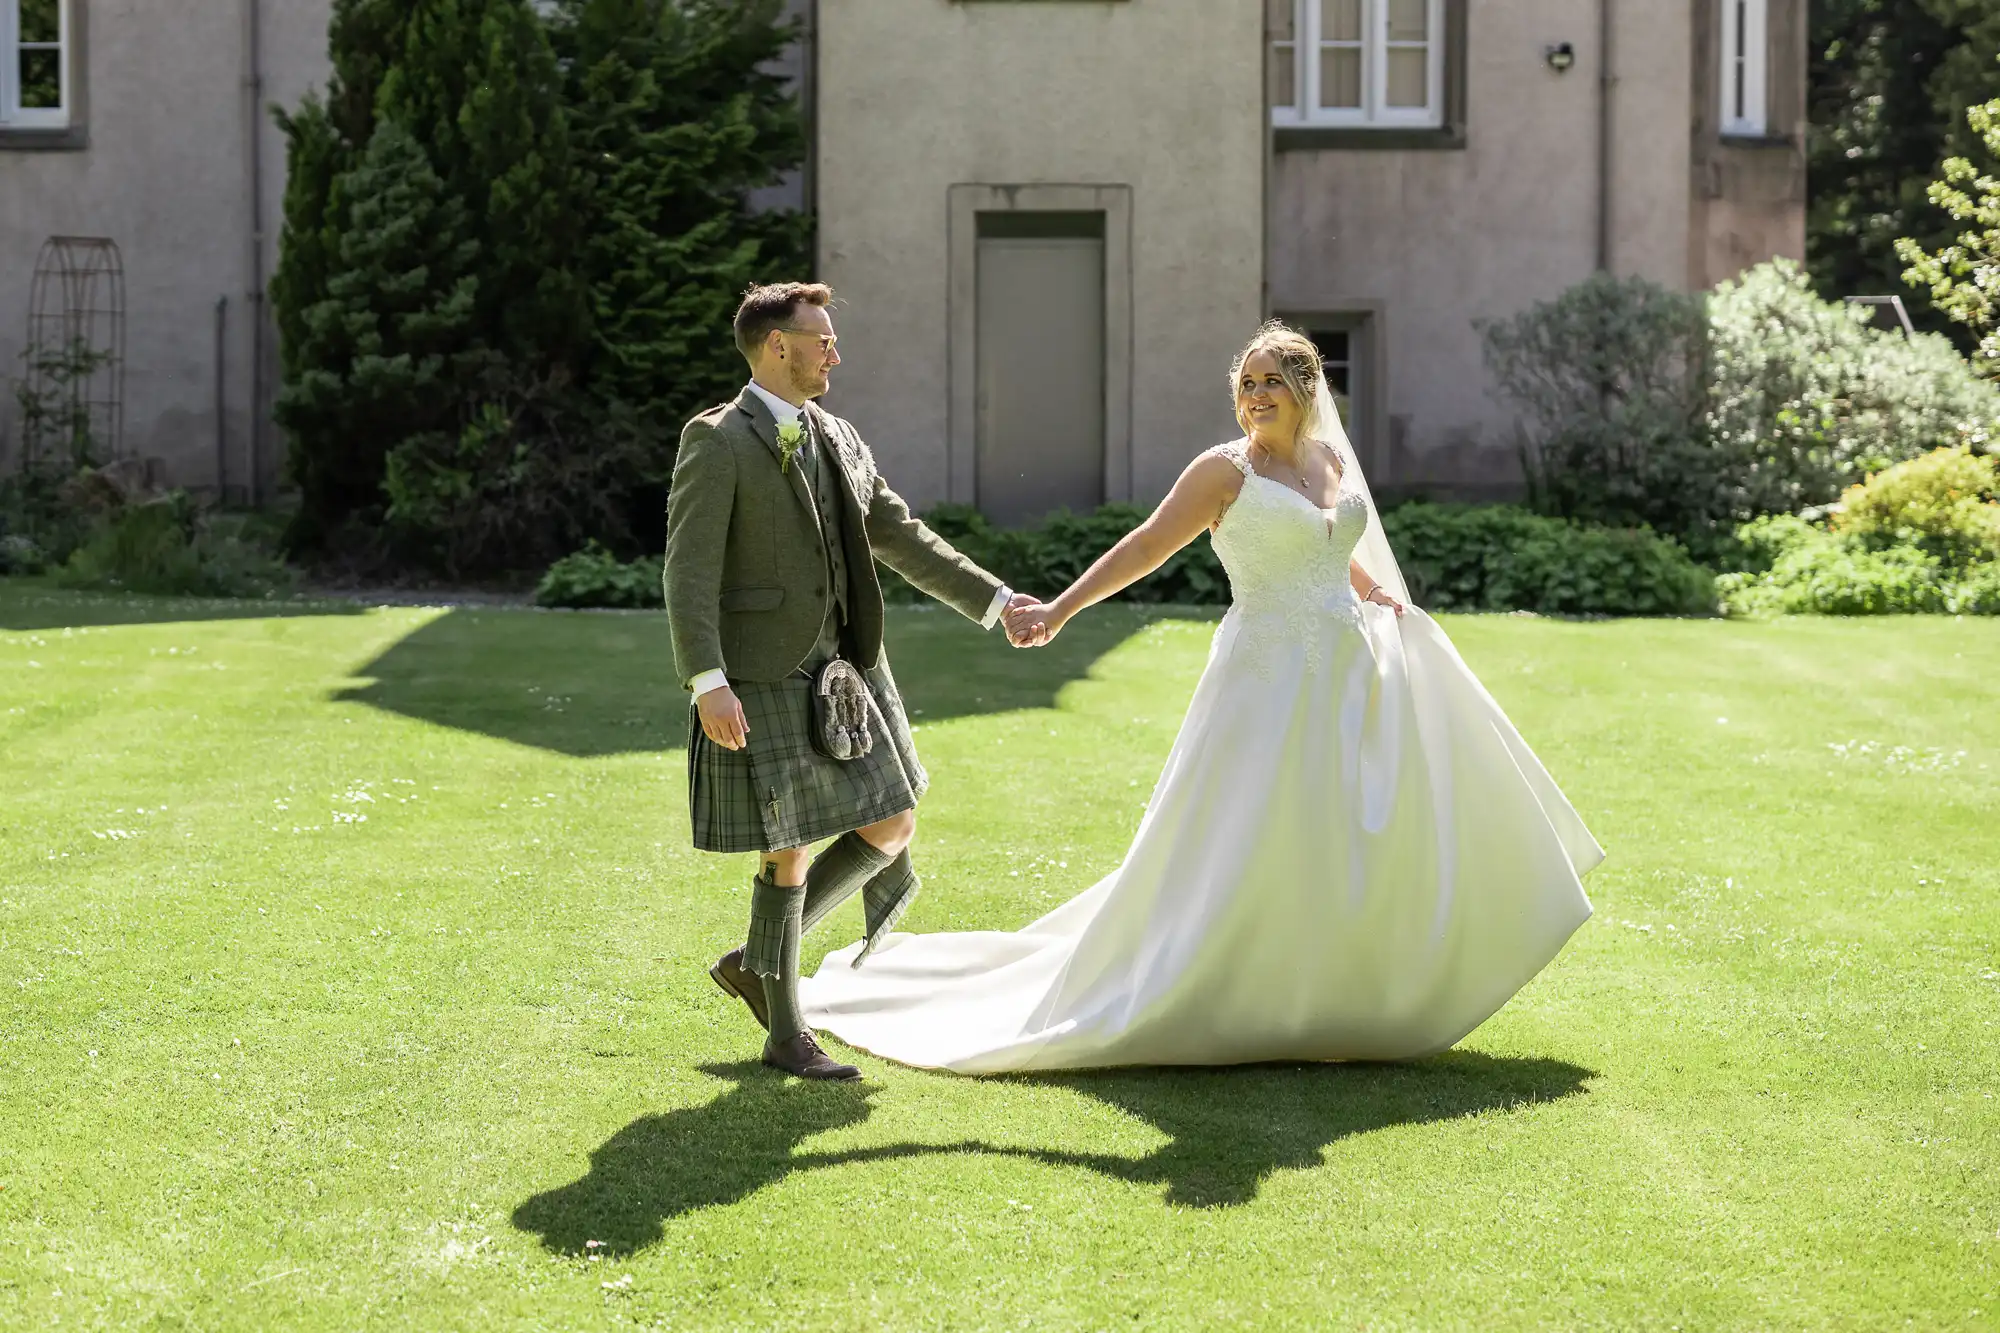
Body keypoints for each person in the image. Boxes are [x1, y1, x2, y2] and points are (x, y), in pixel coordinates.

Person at [799, 322, 1603, 1073]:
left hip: (1345, 670)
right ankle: (1220, 982)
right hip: (1263, 677)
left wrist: (1377, 595)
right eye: (1246, 383)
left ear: (1306, 386)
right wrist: (1058, 608)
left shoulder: (1329, 465)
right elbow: (1147, 544)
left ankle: (1332, 987)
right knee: (1247, 827)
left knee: (1342, 827)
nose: (1255, 395)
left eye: (1271, 381)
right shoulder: (1225, 471)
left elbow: (1331, 544)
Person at [665, 281, 1041, 1081]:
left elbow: (900, 534)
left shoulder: (838, 435)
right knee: (789, 845)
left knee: (892, 822)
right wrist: (707, 680)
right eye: (821, 339)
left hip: (847, 669)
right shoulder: (717, 440)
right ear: (776, 346)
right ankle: (786, 1031)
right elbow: (688, 573)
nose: (835, 352)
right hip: (762, 670)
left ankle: (758, 959)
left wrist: (998, 601)